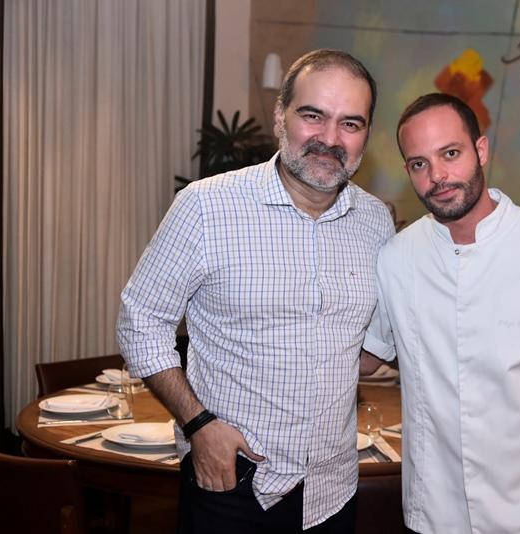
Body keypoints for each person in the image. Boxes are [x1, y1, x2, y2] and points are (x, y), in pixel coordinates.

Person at [117, 49, 394, 534]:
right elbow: (140, 319)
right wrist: (198, 424)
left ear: (366, 134)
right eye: (313, 115)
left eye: (350, 123)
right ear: (281, 116)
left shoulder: (375, 221)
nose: (331, 139)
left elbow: (372, 338)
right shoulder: (205, 207)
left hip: (333, 489)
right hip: (231, 479)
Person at [362, 93, 520, 534]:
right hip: (435, 516)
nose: (437, 176)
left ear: (480, 150)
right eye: (419, 163)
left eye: (450, 153)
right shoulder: (395, 258)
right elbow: (366, 357)